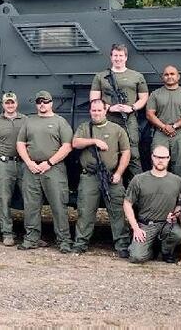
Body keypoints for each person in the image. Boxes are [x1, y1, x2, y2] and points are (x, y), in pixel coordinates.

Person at [70, 99, 131, 255]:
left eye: (99, 110)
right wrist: (94, 141)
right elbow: (75, 143)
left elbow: (126, 153)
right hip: (90, 176)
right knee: (85, 212)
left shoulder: (117, 129)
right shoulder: (84, 127)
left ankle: (122, 245)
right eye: (93, 110)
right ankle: (80, 243)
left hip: (111, 177)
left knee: (117, 212)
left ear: (105, 111)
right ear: (90, 111)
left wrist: (118, 173)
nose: (96, 113)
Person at [15, 90, 73, 252]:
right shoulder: (29, 121)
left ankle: (64, 241)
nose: (42, 104)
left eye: (45, 101)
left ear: (51, 103)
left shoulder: (60, 122)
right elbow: (20, 143)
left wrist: (49, 162)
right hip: (31, 169)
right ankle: (31, 238)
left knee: (58, 206)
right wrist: (29, 162)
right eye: (39, 102)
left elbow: (67, 146)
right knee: (31, 206)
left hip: (53, 169)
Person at [89, 44, 149, 176]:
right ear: (111, 57)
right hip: (108, 120)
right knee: (108, 153)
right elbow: (94, 99)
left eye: (121, 55)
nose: (118, 58)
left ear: (126, 57)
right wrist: (110, 108)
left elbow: (144, 97)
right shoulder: (100, 76)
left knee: (133, 154)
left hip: (129, 120)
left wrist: (132, 108)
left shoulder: (137, 76)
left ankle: (137, 184)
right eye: (115, 55)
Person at [123, 145, 181, 264]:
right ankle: (150, 250)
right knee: (137, 257)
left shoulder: (176, 180)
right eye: (157, 157)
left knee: (179, 235)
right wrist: (136, 228)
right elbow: (127, 203)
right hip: (146, 225)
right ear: (152, 157)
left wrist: (175, 214)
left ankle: (166, 251)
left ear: (168, 158)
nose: (160, 160)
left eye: (164, 157)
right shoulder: (139, 179)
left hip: (166, 225)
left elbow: (180, 203)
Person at [0, 92, 27, 246]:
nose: (10, 105)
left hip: (24, 164)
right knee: (3, 199)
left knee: (30, 200)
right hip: (3, 164)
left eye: (12, 102)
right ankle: (7, 233)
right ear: (3, 105)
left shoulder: (26, 120)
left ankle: (32, 234)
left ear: (17, 103)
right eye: (7, 103)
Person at [145, 65, 181, 178]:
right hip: (160, 133)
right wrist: (164, 126)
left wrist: (174, 126)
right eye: (166, 74)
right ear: (163, 77)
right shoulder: (155, 94)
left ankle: (179, 190)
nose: (169, 76)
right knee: (157, 165)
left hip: (180, 133)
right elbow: (149, 114)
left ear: (178, 76)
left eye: (172, 74)